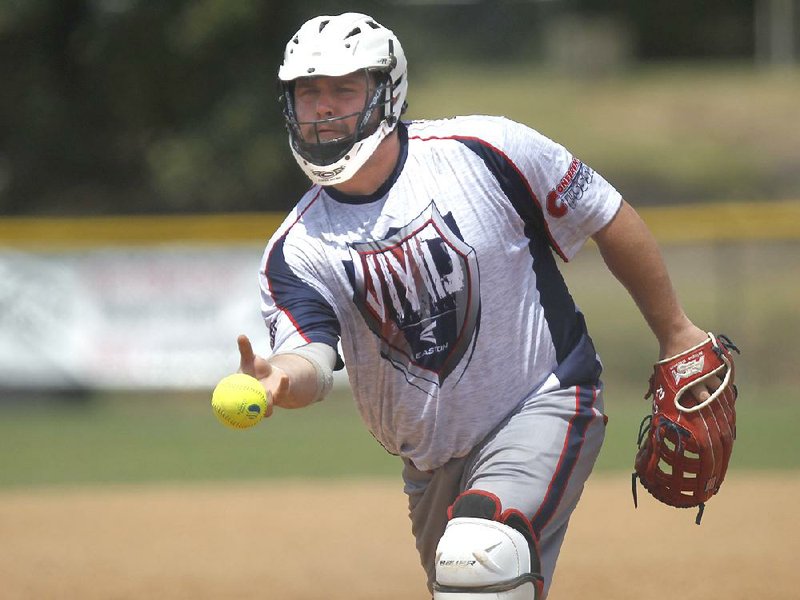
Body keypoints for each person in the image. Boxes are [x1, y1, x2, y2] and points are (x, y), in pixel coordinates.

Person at [234, 12, 720, 599]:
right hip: (430, 460)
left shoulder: (485, 150)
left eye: (345, 88)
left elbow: (607, 217)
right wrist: (281, 379)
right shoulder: (297, 248)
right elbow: (310, 356)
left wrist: (676, 332)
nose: (324, 106)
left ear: (386, 92)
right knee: (475, 583)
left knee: (477, 559)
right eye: (308, 91)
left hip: (544, 397)